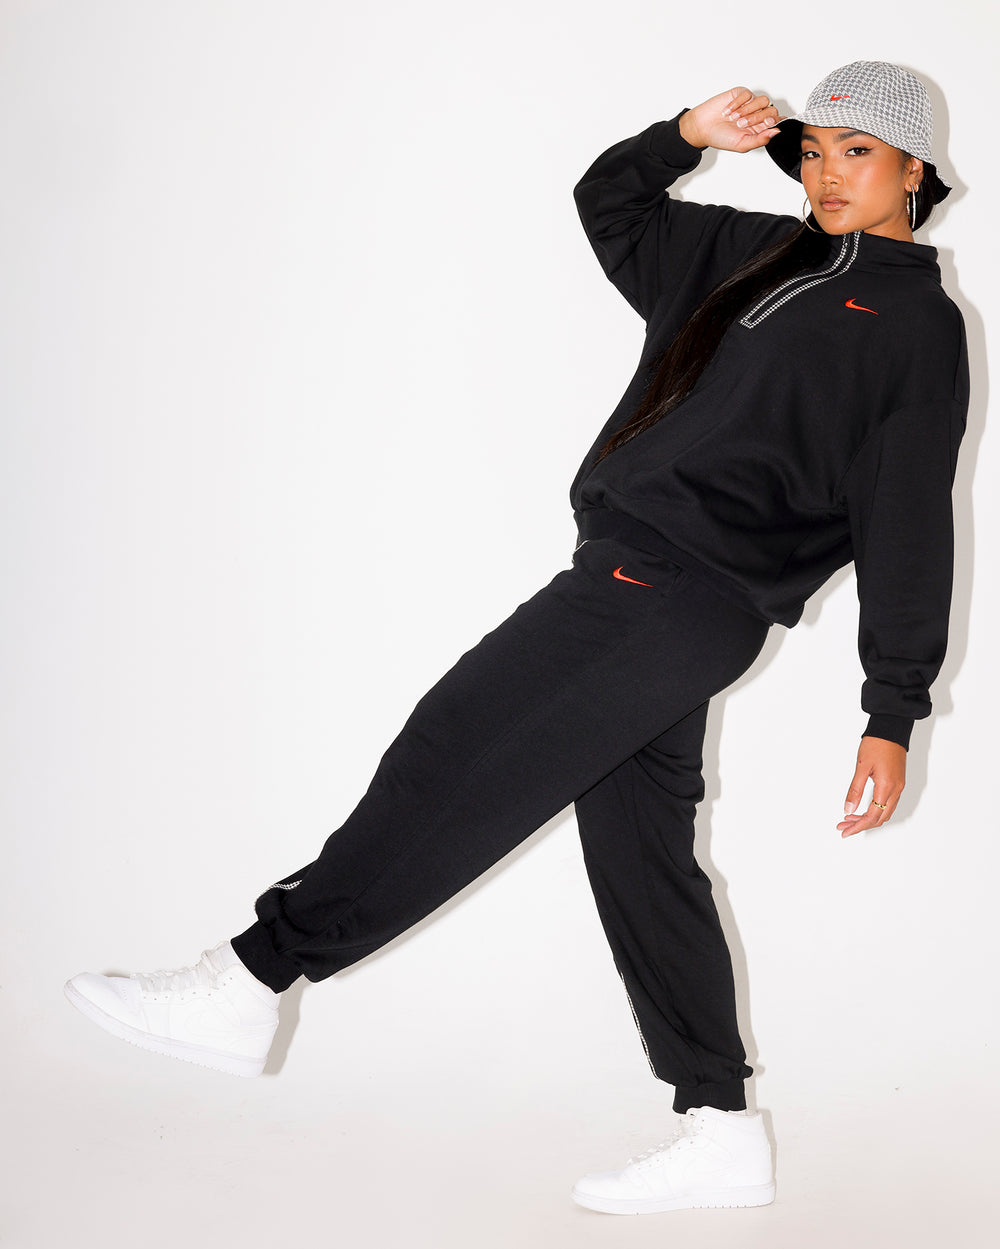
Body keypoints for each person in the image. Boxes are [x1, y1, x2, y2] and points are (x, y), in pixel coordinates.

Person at [64, 61, 967, 1215]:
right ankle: (720, 1125)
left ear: (912, 168)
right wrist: (682, 134)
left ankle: (251, 977)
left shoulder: (917, 327)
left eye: (859, 151)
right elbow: (610, 206)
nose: (829, 173)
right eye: (817, 149)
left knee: (457, 749)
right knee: (643, 861)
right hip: (640, 582)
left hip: (675, 595)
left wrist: (892, 707)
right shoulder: (744, 251)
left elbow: (907, 520)